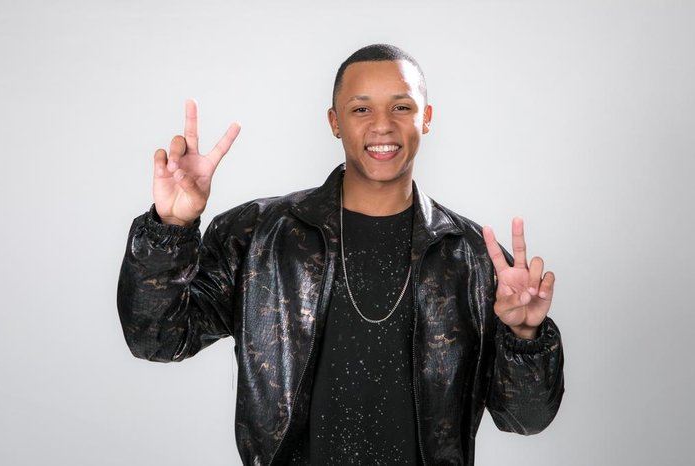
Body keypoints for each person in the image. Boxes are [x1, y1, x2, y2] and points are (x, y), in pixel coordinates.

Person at [118, 44, 564, 466]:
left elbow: (525, 418)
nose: (382, 125)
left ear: (426, 118)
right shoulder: (257, 235)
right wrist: (170, 227)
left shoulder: (474, 258)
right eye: (361, 109)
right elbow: (157, 340)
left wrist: (525, 336)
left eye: (401, 107)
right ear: (335, 121)